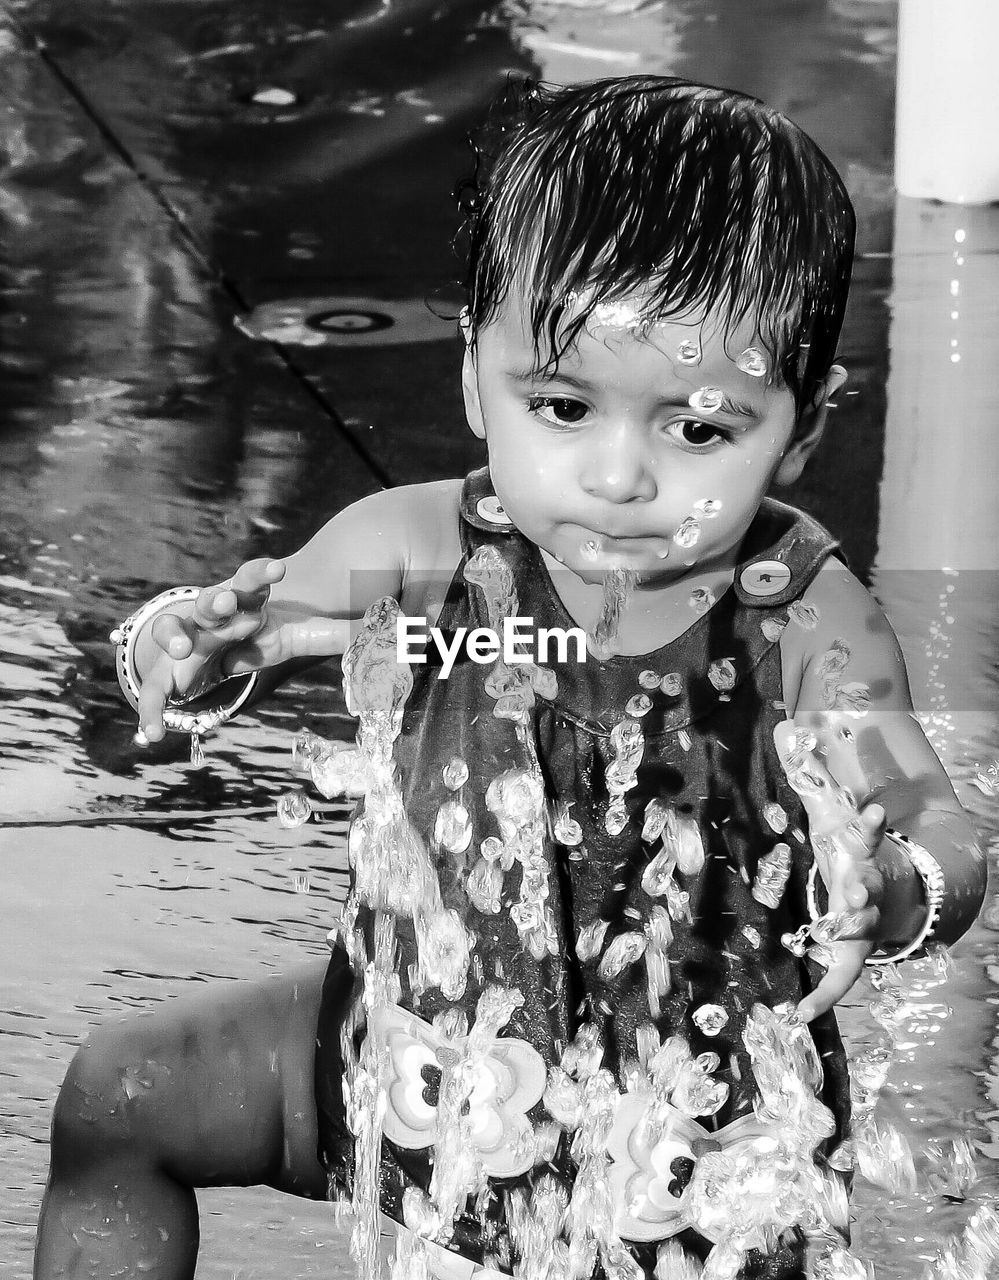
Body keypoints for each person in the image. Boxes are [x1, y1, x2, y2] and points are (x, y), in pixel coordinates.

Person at [34, 76, 986, 1280]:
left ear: (801, 429)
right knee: (125, 1092)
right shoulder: (424, 545)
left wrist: (892, 883)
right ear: (478, 375)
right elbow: (250, 623)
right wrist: (186, 643)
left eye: (701, 428)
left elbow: (934, 822)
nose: (620, 475)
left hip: (685, 1139)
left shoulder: (801, 617)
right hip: (420, 1049)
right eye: (564, 405)